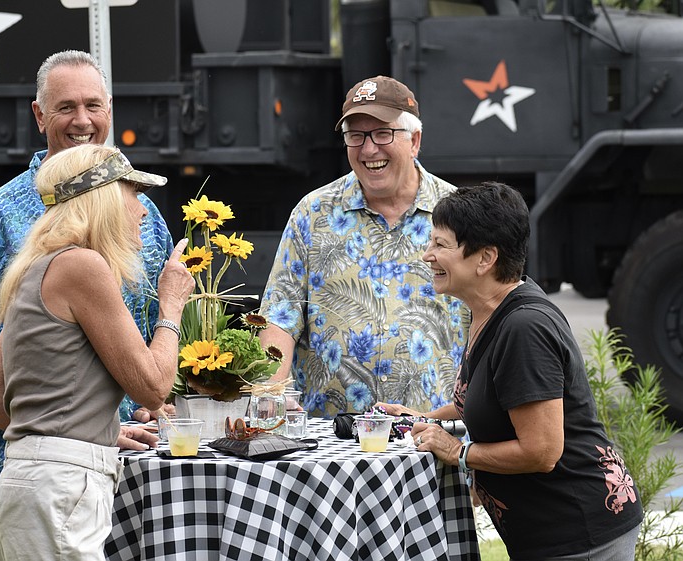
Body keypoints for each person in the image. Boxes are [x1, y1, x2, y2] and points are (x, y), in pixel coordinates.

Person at [0, 50, 169, 561]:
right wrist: (60, 416)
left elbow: (146, 349)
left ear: (111, 110)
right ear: (38, 115)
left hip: (128, 461)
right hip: (48, 462)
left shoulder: (143, 213)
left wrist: (144, 407)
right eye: (65, 108)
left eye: (93, 105)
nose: (82, 120)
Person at [380, 182, 642, 560]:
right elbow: (489, 399)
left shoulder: (524, 329)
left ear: (485, 258)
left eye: (441, 245)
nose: (427, 255)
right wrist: (423, 418)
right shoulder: (487, 312)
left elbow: (542, 451)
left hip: (581, 533)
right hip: (550, 535)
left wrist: (458, 451)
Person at [0, 143, 194, 561]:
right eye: (134, 194)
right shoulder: (83, 266)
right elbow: (153, 387)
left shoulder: (34, 267)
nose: (143, 210)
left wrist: (91, 431)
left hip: (29, 480)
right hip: (61, 488)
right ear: (107, 198)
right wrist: (171, 305)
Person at [259, 75, 467, 417]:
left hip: (431, 437)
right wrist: (270, 394)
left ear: (414, 141)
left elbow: (490, 318)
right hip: (331, 441)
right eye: (356, 136)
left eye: (383, 133)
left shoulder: (459, 214)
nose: (369, 149)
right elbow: (279, 317)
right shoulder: (313, 213)